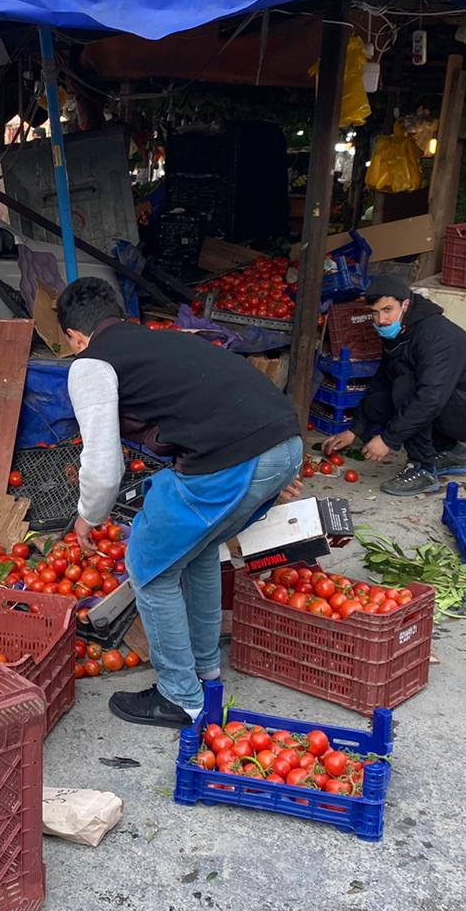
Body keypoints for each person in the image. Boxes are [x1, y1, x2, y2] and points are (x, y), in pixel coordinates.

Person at [57, 276, 303, 727]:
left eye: (73, 344)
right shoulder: (157, 342)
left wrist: (88, 516)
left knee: (148, 566)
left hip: (233, 458)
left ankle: (179, 697)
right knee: (200, 548)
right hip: (286, 445)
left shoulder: (91, 363)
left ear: (75, 336)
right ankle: (206, 669)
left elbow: (103, 462)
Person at [322, 273, 466, 496]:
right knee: (381, 398)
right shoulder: (400, 330)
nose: (381, 320)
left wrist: (389, 439)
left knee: (406, 387)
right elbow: (381, 380)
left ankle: (423, 469)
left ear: (405, 304)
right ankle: (450, 451)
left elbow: (430, 397)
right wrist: (354, 429)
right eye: (375, 313)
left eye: (387, 310)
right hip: (449, 399)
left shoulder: (434, 334)